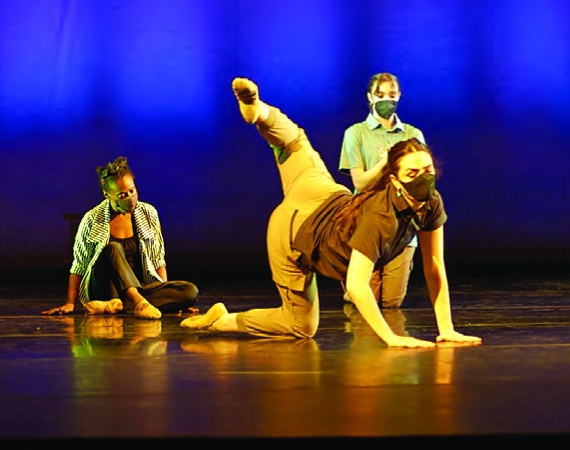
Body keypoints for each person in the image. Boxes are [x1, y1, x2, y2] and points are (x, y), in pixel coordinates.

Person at [180, 77, 481, 348]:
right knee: (299, 327)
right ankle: (257, 110)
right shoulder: (381, 217)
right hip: (294, 232)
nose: (423, 178)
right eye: (412, 174)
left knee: (295, 143)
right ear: (394, 180)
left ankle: (261, 113)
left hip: (324, 192)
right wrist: (391, 337)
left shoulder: (431, 202)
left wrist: (447, 329)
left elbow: (434, 265)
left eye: (427, 170)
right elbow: (356, 285)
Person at [42, 157, 198, 319]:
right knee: (113, 248)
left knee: (189, 291)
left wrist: (172, 299)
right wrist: (70, 303)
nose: (130, 198)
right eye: (122, 195)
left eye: (132, 191)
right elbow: (78, 267)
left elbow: (158, 261)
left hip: (140, 286)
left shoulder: (148, 213)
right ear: (107, 195)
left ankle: (118, 306)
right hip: (104, 288)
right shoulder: (92, 219)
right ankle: (135, 303)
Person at [339, 73, 425, 308]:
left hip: (402, 223)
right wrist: (385, 163)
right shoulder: (355, 133)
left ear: (399, 96)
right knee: (367, 298)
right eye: (380, 95)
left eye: (392, 94)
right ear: (370, 97)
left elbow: (420, 180)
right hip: (367, 220)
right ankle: (351, 285)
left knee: (391, 302)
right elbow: (360, 182)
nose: (386, 99)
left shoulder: (413, 134)